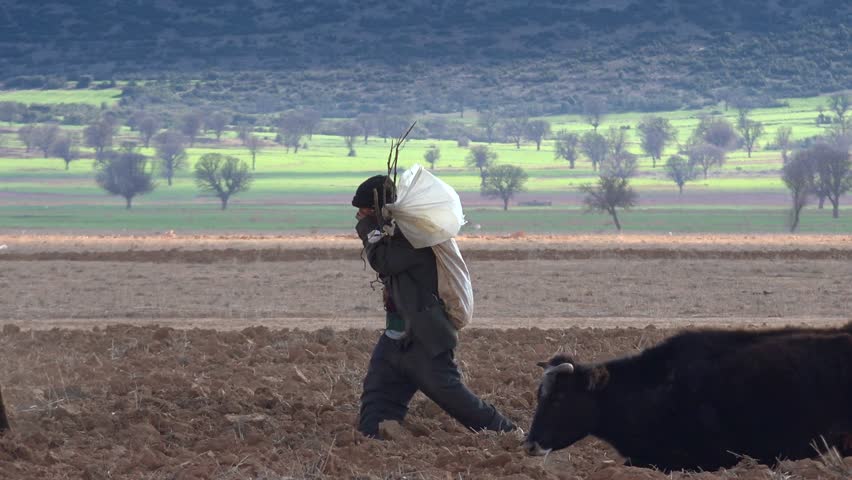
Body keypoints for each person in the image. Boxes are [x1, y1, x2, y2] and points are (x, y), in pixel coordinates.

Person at [352, 174, 516, 438]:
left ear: (381, 210)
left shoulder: (416, 239)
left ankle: (509, 434)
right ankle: (376, 441)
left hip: (424, 340)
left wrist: (368, 230)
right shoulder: (397, 235)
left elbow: (383, 261)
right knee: (377, 402)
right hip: (397, 339)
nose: (360, 215)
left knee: (456, 399)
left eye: (366, 210)